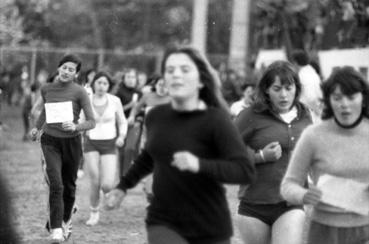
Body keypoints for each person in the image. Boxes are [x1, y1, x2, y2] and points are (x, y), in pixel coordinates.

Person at [105, 46, 256, 244]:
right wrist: (123, 186)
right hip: (164, 220)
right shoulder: (156, 117)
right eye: (170, 70)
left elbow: (244, 171)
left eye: (185, 70)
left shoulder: (217, 120)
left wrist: (199, 164)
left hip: (209, 225)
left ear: (200, 80)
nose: (176, 75)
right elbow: (150, 156)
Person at [281, 66, 369, 244]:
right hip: (323, 231)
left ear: (363, 99)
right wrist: (303, 195)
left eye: (351, 97)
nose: (344, 104)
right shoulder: (313, 136)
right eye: (337, 98)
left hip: (364, 229)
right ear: (328, 101)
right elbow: (288, 185)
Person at [235, 60, 312, 244]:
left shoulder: (305, 115)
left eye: (288, 88)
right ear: (266, 90)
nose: (284, 95)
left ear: (296, 88)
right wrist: (260, 156)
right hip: (253, 204)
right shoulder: (251, 115)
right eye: (277, 89)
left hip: (290, 203)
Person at [29, 54, 95, 242]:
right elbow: (45, 112)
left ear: (76, 74)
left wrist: (76, 126)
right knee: (56, 184)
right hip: (50, 142)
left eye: (71, 69)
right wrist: (36, 127)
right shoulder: (46, 89)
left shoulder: (80, 92)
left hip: (72, 143)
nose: (67, 71)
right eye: (64, 67)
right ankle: (56, 229)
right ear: (59, 68)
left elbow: (92, 122)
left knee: (70, 186)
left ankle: (66, 220)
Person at [82, 72, 128, 226]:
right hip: (91, 143)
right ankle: (94, 212)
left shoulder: (115, 101)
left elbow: (123, 121)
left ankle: (104, 192)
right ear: (93, 83)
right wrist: (79, 130)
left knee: (107, 184)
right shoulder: (86, 100)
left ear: (109, 86)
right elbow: (80, 121)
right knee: (95, 179)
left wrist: (121, 136)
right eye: (99, 82)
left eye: (105, 83)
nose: (101, 86)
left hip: (109, 144)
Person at [291, 49, 323, 123]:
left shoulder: (303, 75)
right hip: (314, 112)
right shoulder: (312, 72)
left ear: (295, 62)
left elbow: (310, 97)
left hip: (309, 115)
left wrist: (318, 112)